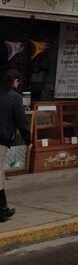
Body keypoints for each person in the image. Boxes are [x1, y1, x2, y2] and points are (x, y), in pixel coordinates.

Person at [0, 69, 32, 222]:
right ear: (16, 81)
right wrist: (28, 141)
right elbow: (21, 123)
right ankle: (1, 210)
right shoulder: (15, 98)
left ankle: (3, 208)